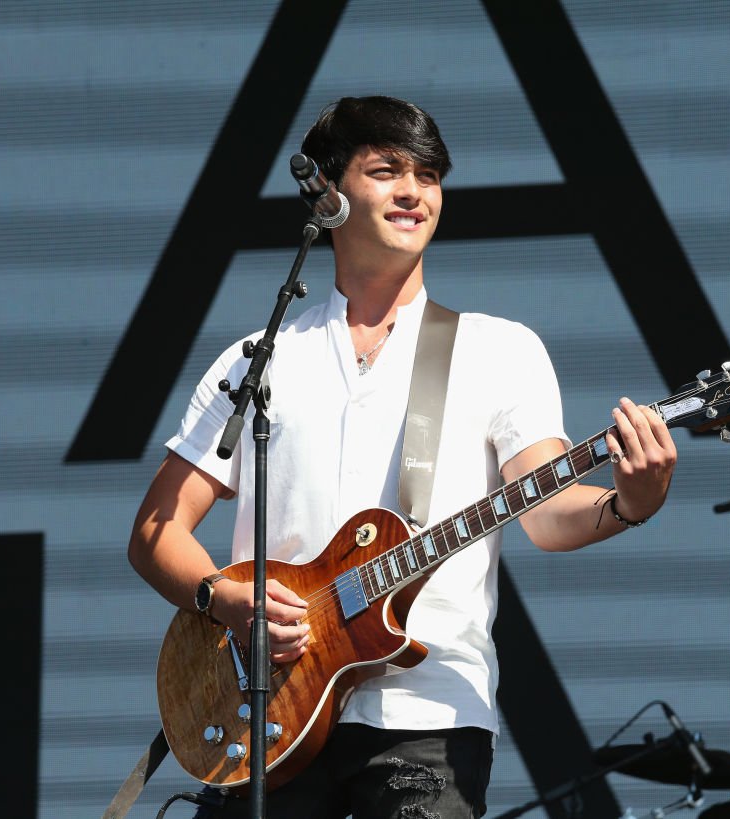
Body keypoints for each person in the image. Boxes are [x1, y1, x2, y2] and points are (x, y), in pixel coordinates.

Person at [128, 96, 677, 818]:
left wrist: (631, 501)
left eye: (429, 174)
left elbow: (544, 515)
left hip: (430, 717)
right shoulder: (258, 360)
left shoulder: (497, 349)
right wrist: (225, 598)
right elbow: (154, 532)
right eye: (386, 170)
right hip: (268, 712)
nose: (414, 192)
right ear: (325, 191)